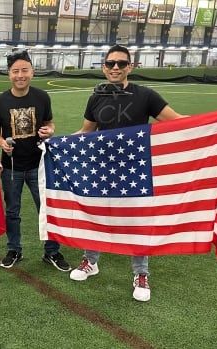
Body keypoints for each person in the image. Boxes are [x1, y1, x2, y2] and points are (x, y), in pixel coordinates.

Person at [69, 44, 187, 302]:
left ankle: (141, 274)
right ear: (103, 67)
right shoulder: (96, 97)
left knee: (137, 222)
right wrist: (58, 142)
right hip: (101, 168)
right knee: (97, 215)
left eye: (121, 63)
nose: (115, 68)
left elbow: (176, 120)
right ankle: (91, 261)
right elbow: (87, 131)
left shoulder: (145, 95)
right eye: (111, 63)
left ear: (130, 66)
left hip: (135, 170)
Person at [0, 49, 71, 272]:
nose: (20, 75)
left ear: (32, 72)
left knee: (46, 209)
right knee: (12, 211)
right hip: (12, 167)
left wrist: (49, 131)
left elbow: (50, 123)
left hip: (40, 165)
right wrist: (1, 143)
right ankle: (14, 249)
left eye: (24, 70)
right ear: (9, 74)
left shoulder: (42, 97)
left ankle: (52, 251)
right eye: (15, 71)